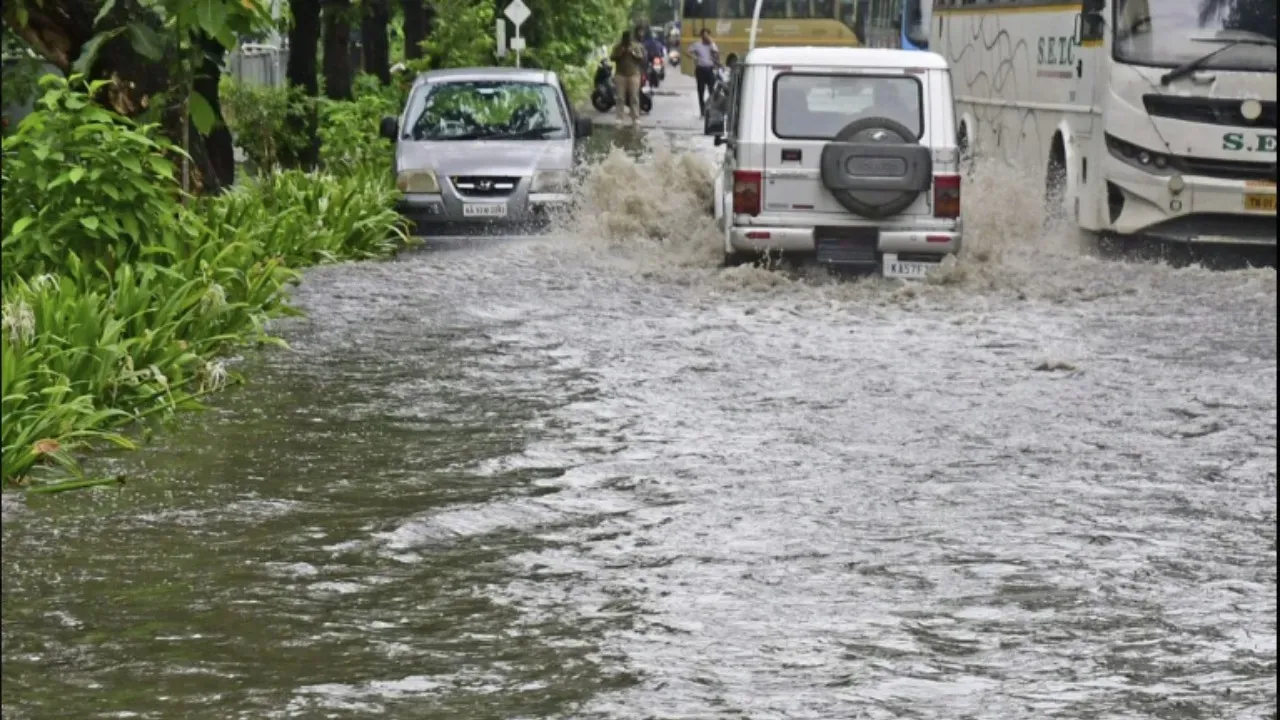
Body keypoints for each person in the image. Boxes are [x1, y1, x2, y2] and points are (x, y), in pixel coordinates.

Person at [609, 30, 645, 124]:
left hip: (633, 74)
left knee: (634, 97)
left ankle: (636, 117)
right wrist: (620, 53)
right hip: (620, 74)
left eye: (628, 39)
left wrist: (633, 53)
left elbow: (641, 58)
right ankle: (619, 117)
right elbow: (612, 57)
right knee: (620, 97)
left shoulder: (635, 46)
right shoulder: (618, 47)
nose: (627, 41)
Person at [689, 28, 720, 117]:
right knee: (701, 91)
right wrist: (694, 57)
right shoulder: (697, 45)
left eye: (707, 35)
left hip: (709, 70)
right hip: (700, 70)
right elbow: (689, 51)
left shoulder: (712, 45)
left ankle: (710, 108)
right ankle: (702, 110)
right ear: (701, 36)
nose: (706, 37)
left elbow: (716, 53)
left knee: (712, 90)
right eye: (704, 35)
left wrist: (711, 43)